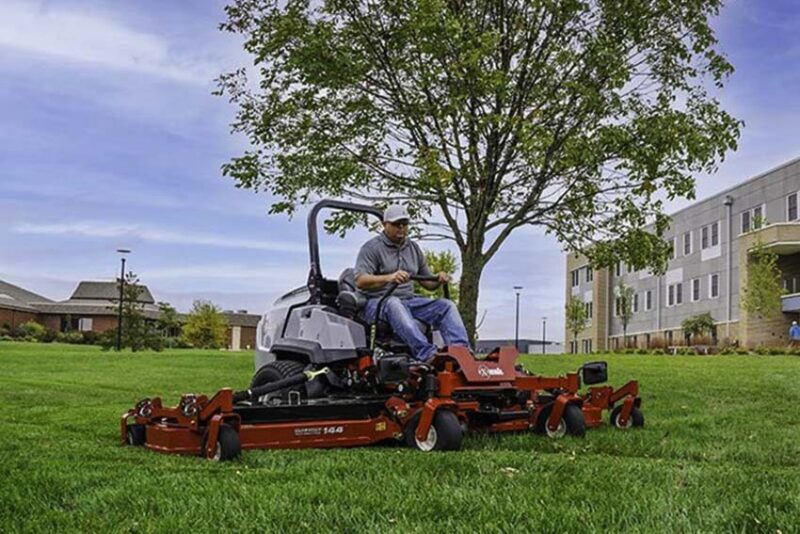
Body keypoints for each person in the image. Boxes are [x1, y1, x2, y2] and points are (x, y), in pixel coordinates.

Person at [354, 204, 471, 362]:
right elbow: (361, 281)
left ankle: (461, 353)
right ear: (384, 224)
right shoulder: (371, 248)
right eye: (396, 224)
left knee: (446, 305)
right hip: (377, 303)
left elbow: (428, 284)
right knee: (394, 303)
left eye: (404, 224)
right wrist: (389, 277)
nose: (401, 228)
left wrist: (438, 278)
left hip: (409, 301)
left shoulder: (413, 248)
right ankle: (427, 354)